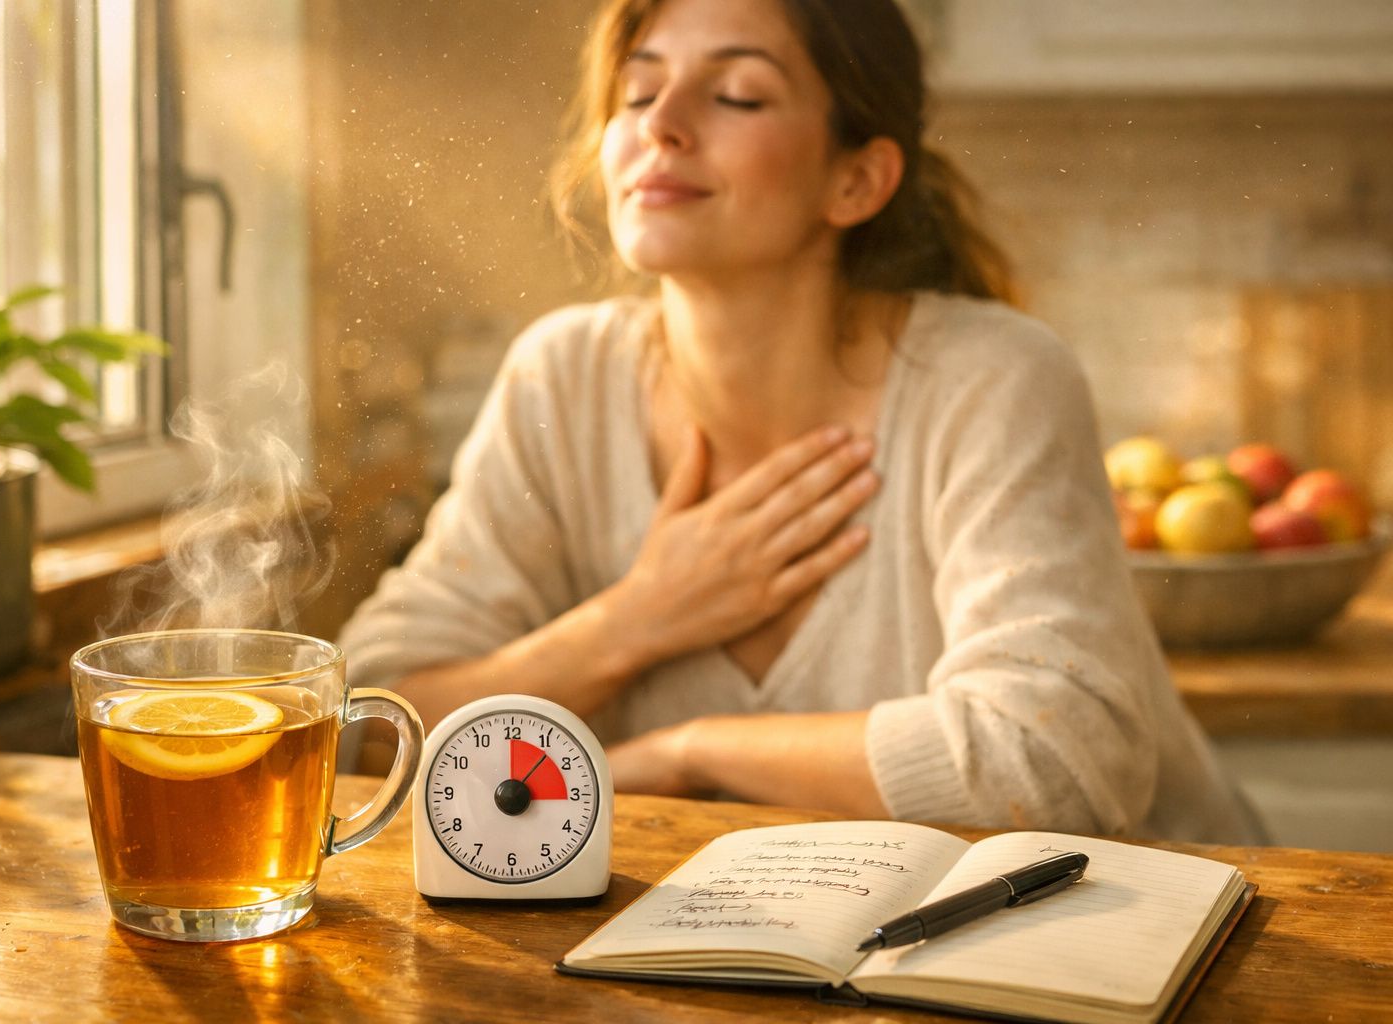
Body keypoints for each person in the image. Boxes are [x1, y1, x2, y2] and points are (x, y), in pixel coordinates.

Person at [338, 0, 1264, 843]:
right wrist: (635, 620)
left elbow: (1056, 767)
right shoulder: (563, 376)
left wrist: (689, 751)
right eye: (638, 90)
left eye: (737, 95)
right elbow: (369, 724)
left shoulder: (990, 379)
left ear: (857, 181)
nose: (662, 123)